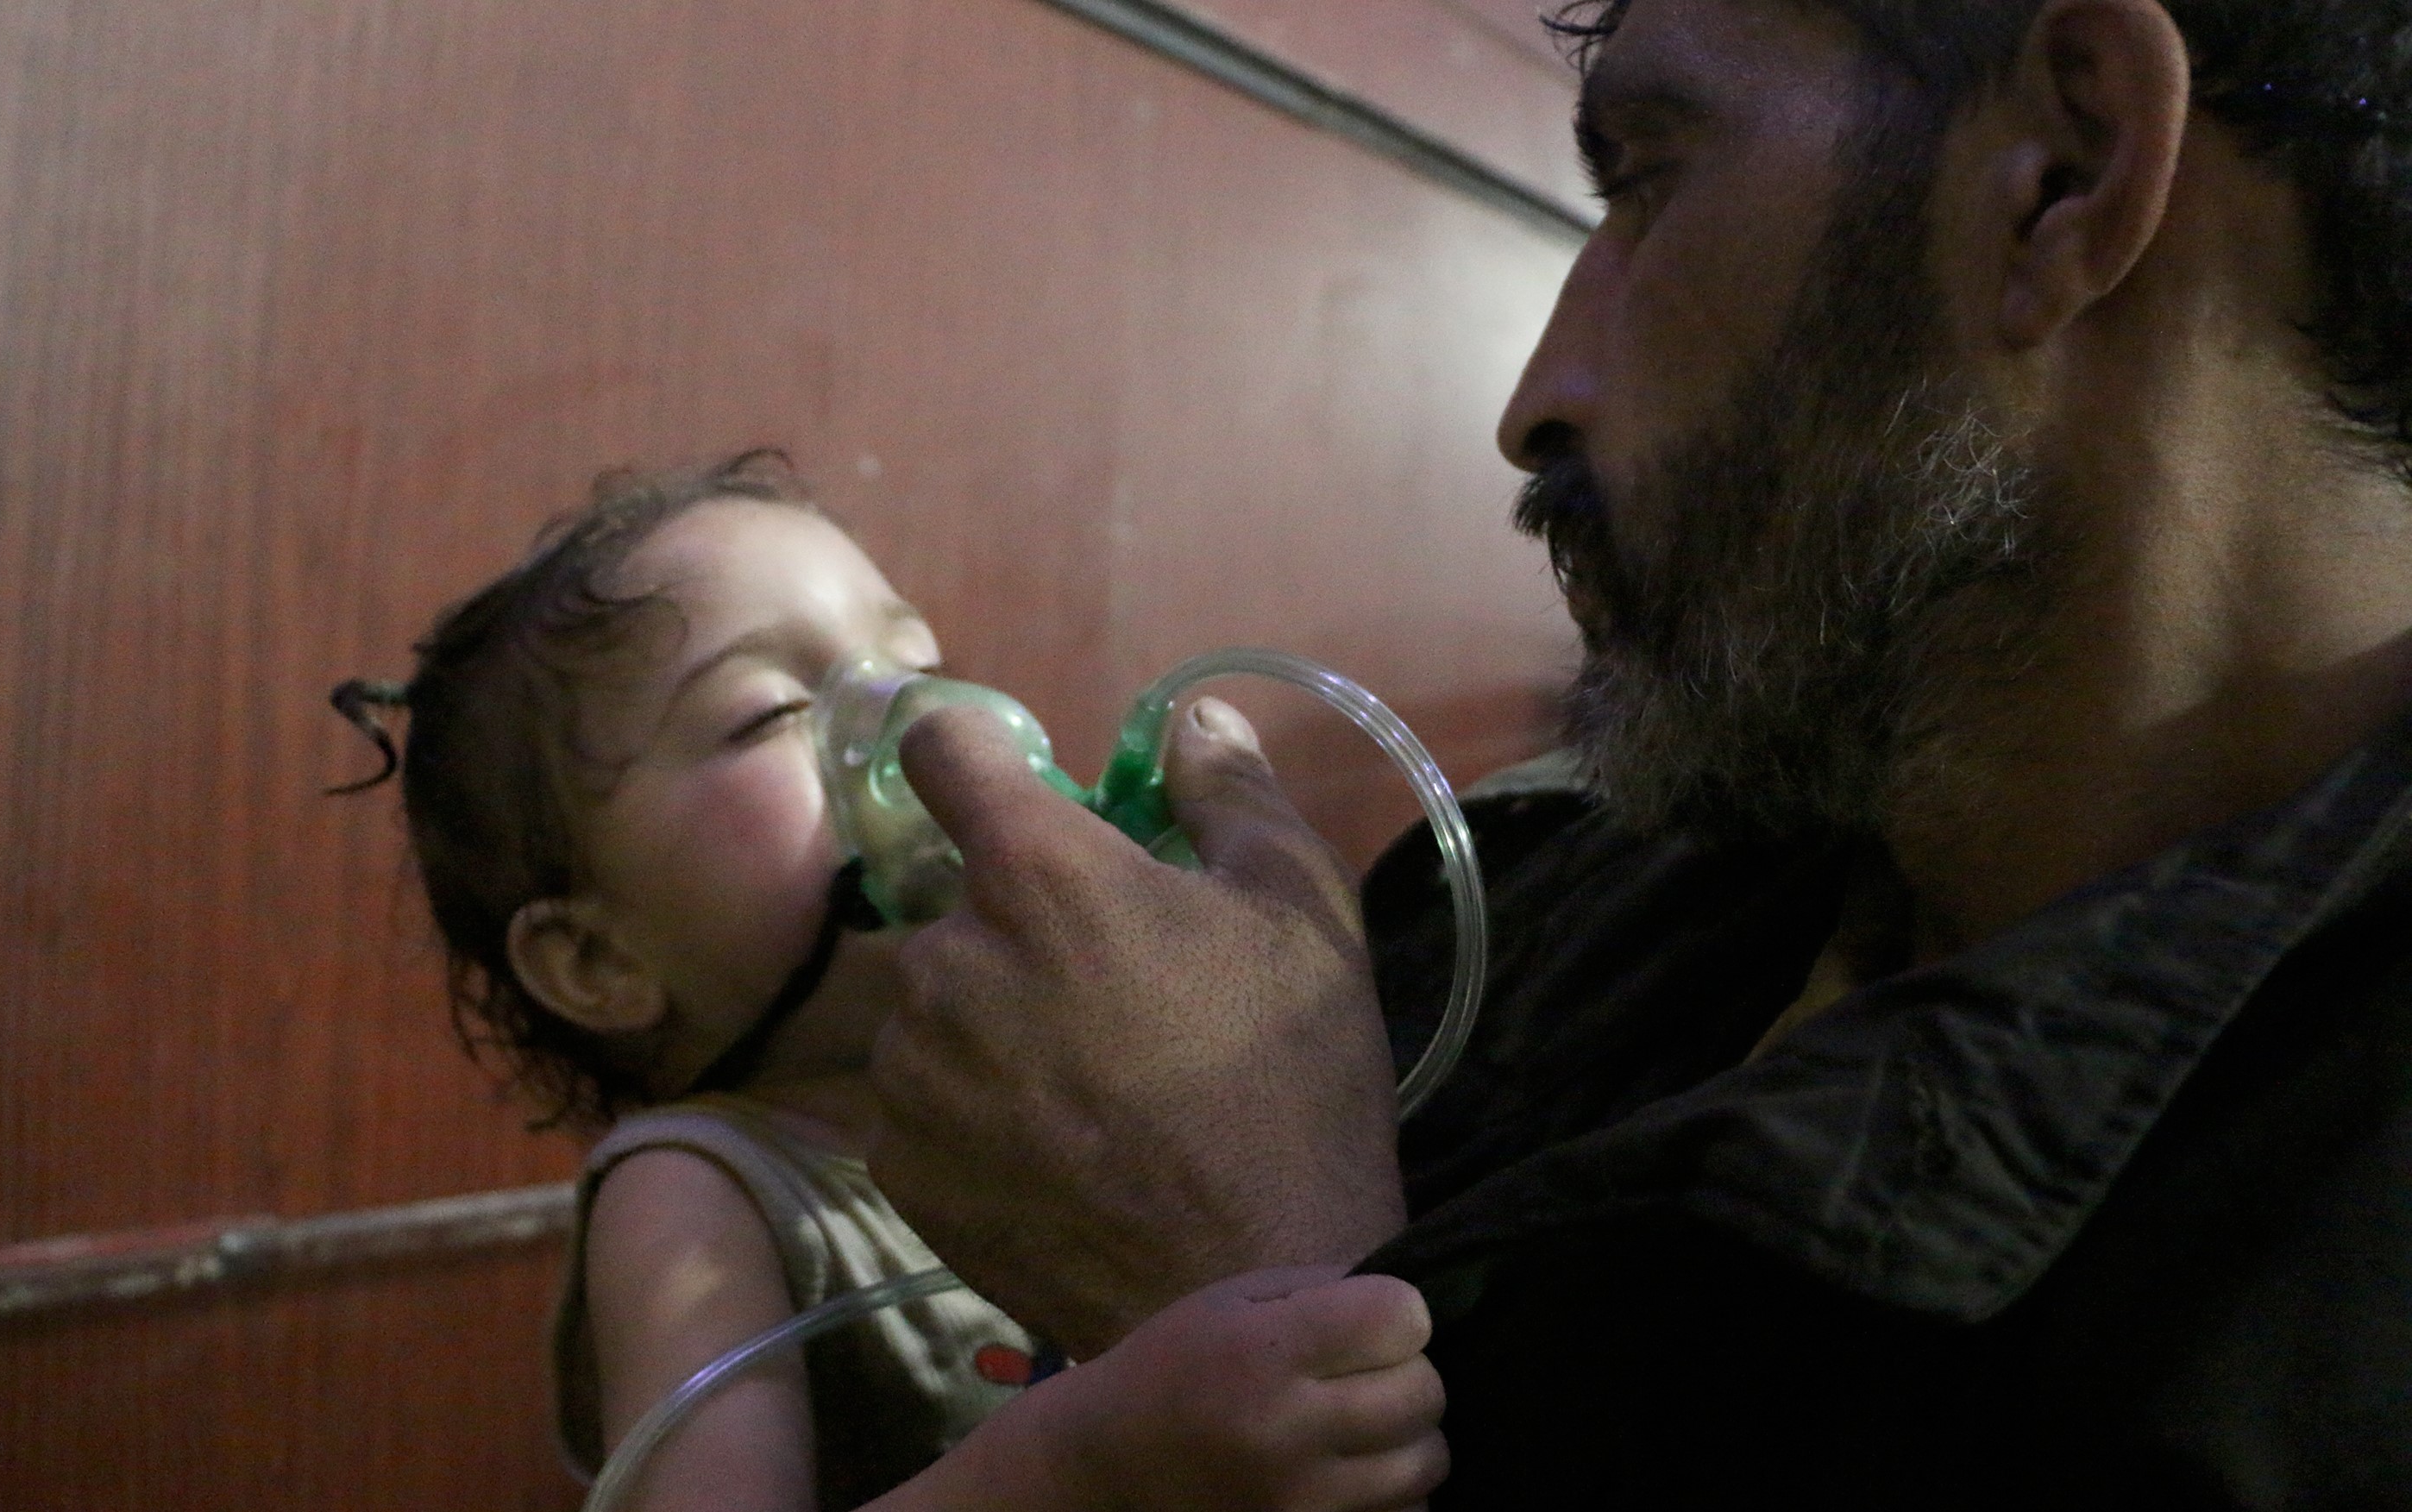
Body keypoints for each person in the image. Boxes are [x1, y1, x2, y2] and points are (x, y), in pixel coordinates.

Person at [858, 0, 2412, 1504]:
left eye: (1652, 175)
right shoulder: (1573, 894)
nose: (1536, 404)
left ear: (2063, 171)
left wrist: (1247, 1308)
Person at [327, 450, 1448, 1512]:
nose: (922, 726)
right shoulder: (694, 1192)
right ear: (598, 960)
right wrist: (1082, 1470)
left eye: (914, 667)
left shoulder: (1048, 1099)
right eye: (771, 710)